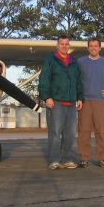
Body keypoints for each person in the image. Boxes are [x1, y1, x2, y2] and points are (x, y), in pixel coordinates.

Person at [38, 35, 83, 170]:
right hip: (56, 102)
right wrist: (46, 97)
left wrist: (80, 97)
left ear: (69, 46)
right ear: (57, 46)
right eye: (62, 44)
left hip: (71, 103)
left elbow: (78, 82)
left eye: (66, 44)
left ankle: (67, 159)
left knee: (70, 134)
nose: (64, 46)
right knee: (55, 133)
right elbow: (44, 80)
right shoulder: (50, 60)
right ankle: (54, 160)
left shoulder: (74, 62)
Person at [77, 38, 104, 168]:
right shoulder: (81, 62)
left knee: (101, 131)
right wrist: (77, 97)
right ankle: (84, 158)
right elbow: (75, 79)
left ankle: (103, 158)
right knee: (84, 131)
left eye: (96, 46)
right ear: (88, 48)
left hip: (100, 101)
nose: (93, 48)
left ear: (100, 48)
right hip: (84, 101)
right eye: (91, 46)